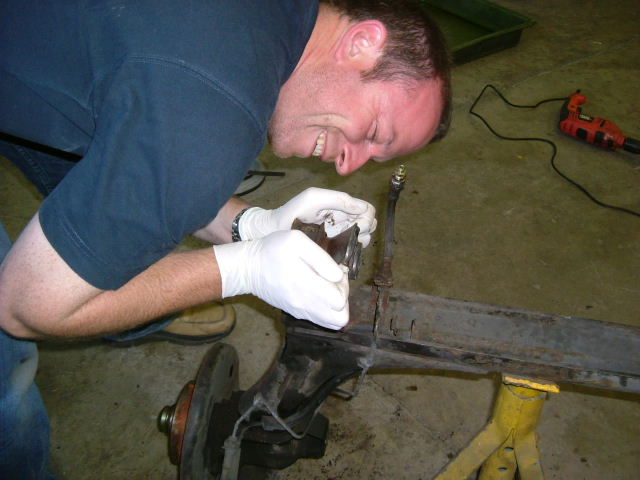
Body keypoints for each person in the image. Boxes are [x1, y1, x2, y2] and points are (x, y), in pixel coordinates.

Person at [0, 0, 451, 477]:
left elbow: (164, 136)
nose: (348, 165)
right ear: (362, 43)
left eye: (374, 158)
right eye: (374, 132)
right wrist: (243, 270)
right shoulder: (215, 113)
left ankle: (127, 293)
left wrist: (251, 225)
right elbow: (25, 306)